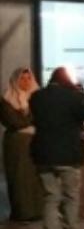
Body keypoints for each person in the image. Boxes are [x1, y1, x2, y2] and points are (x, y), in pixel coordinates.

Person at [29, 67, 84, 229]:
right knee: (71, 196)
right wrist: (82, 94)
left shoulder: (37, 96)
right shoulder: (73, 96)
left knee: (50, 197)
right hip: (68, 153)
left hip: (43, 153)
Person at [1, 67, 43, 221]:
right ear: (15, 80)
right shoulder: (7, 99)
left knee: (35, 178)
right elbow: (14, 122)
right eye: (22, 79)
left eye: (28, 78)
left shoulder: (37, 97)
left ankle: (37, 211)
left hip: (35, 141)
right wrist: (31, 117)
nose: (25, 82)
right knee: (19, 179)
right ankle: (23, 212)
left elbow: (43, 116)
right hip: (17, 144)